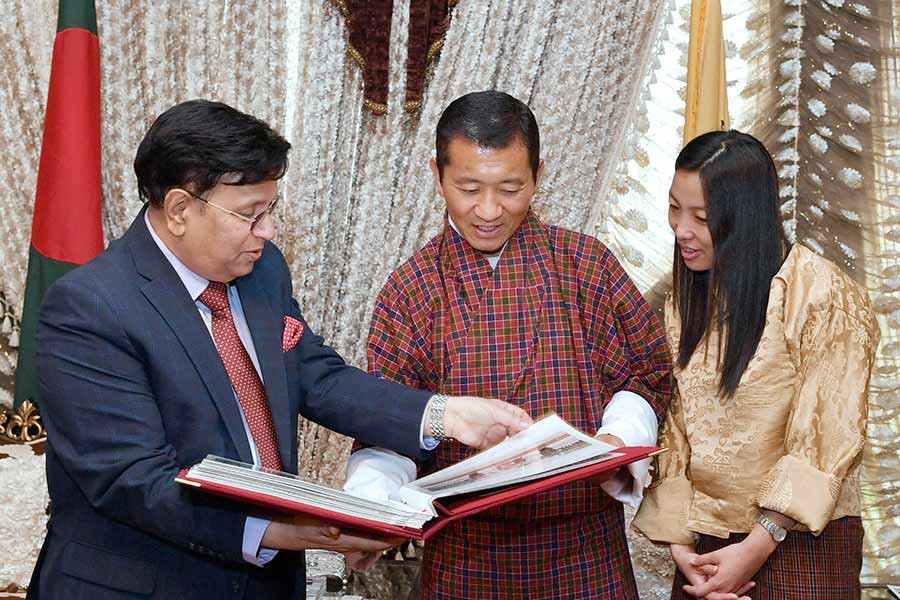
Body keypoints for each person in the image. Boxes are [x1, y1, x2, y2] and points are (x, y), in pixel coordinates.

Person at [27, 99, 533, 600]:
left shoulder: (261, 269)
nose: (267, 232)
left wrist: (444, 415)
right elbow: (131, 479)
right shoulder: (90, 308)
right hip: (148, 584)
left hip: (268, 582)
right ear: (180, 209)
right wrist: (279, 530)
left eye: (270, 210)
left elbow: (316, 377)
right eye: (251, 214)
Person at [343, 91, 672, 599]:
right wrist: (373, 504)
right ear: (437, 175)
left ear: (538, 174)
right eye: (469, 188)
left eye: (511, 189)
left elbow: (645, 374)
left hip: (584, 551)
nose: (489, 211)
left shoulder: (586, 265)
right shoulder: (410, 289)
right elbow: (389, 421)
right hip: (465, 557)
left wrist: (616, 437)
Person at [632, 130, 880, 600]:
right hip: (703, 545)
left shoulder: (821, 294)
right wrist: (680, 546)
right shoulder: (684, 300)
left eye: (702, 217)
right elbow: (676, 428)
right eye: (674, 208)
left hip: (802, 543)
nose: (681, 229)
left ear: (745, 219)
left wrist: (758, 543)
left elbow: (826, 436)